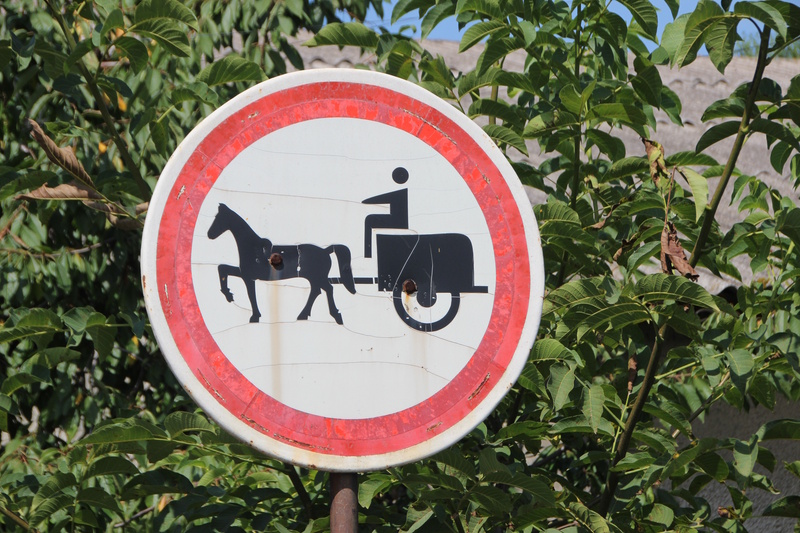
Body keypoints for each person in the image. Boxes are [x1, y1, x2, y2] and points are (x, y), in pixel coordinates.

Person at [362, 167, 409, 258]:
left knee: (369, 220)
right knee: (369, 220)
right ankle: (367, 254)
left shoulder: (399, 194)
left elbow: (383, 198)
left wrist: (367, 201)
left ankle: (368, 254)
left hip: (399, 221)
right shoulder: (400, 193)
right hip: (399, 221)